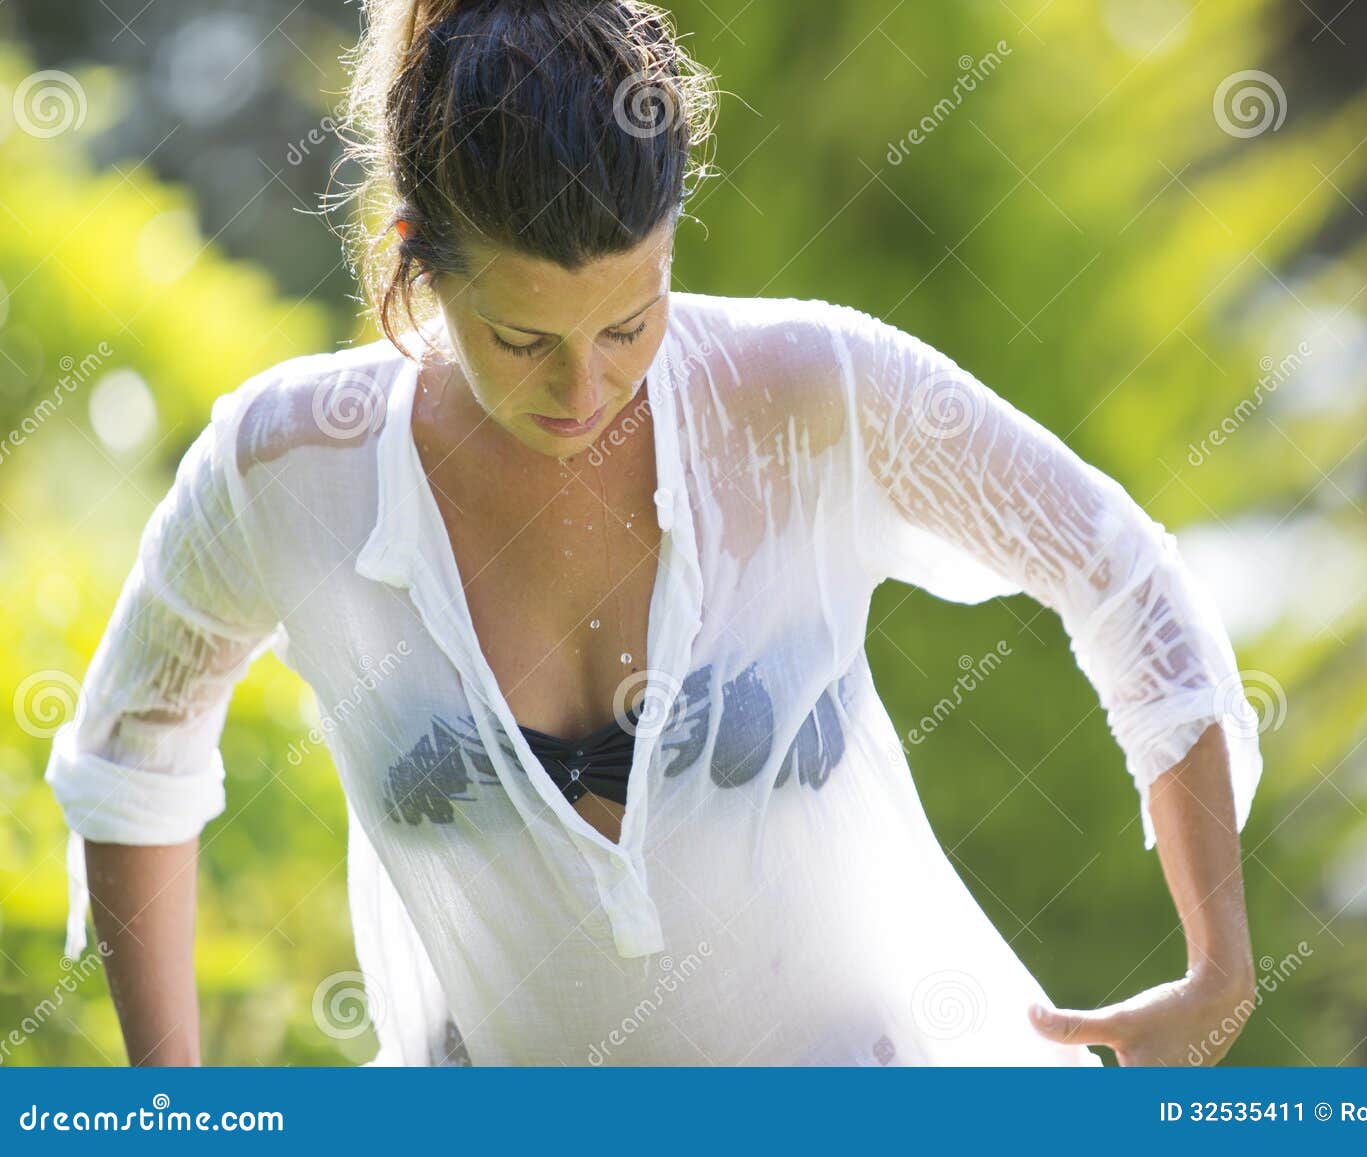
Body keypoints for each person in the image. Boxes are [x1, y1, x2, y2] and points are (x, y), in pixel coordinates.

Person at [44, 0, 1264, 1067]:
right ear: (418, 264)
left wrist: (1218, 960)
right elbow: (126, 758)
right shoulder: (287, 466)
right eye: (524, 339)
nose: (585, 389)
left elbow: (1120, 569)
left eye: (631, 322)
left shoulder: (809, 389)